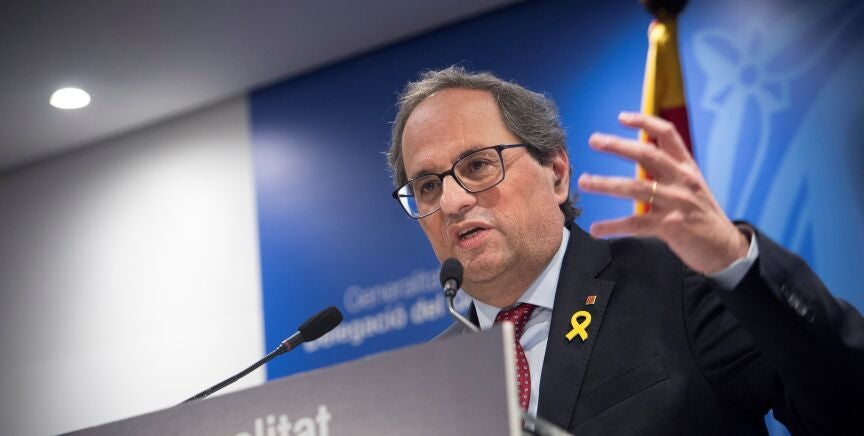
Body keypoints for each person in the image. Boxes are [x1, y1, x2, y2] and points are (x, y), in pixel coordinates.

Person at [387, 66, 864, 435]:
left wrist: (737, 264)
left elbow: (847, 405)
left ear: (556, 173)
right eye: (428, 186)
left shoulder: (674, 281)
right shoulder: (425, 382)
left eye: (477, 166)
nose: (453, 201)